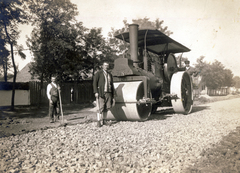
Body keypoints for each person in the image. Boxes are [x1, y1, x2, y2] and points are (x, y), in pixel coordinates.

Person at [93, 61, 115, 127]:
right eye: (105, 65)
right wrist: (96, 92)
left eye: (107, 65)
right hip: (101, 93)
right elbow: (94, 83)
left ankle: (104, 120)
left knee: (107, 107)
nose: (106, 67)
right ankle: (99, 121)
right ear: (102, 66)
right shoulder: (98, 73)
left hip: (109, 93)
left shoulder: (110, 74)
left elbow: (111, 84)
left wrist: (113, 95)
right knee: (100, 107)